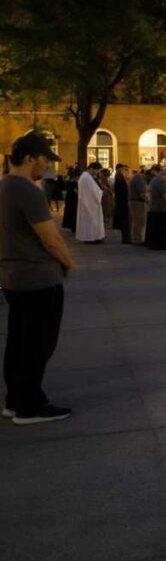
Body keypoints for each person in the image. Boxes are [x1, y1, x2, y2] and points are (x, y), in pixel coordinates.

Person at [0, 132, 75, 425]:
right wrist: (68, 263)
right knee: (38, 344)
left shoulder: (4, 186)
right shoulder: (28, 191)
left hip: (13, 278)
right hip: (38, 279)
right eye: (45, 159)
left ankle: (15, 399)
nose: (48, 166)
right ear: (30, 158)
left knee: (18, 341)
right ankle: (29, 406)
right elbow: (51, 238)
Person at [145, 166, 166, 250]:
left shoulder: (155, 179)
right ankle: (162, 245)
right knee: (161, 229)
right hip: (160, 209)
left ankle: (154, 244)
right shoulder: (161, 181)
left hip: (154, 208)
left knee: (155, 229)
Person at [75, 162, 105, 244]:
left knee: (90, 221)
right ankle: (91, 238)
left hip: (89, 202)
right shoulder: (86, 178)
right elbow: (93, 190)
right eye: (97, 170)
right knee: (91, 222)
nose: (97, 172)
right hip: (90, 203)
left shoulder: (86, 177)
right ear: (92, 168)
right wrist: (100, 193)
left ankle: (93, 237)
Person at [128, 167, 148, 245]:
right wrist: (149, 201)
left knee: (137, 221)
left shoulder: (136, 178)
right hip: (137, 202)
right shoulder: (139, 179)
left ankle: (136, 237)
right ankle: (136, 238)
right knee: (139, 221)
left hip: (135, 201)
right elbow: (143, 193)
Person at [112, 164, 131, 244]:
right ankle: (126, 239)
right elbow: (125, 192)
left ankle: (126, 238)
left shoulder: (119, 181)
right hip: (123, 204)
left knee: (125, 222)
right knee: (125, 222)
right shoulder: (121, 182)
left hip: (121, 204)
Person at [61, 168, 78, 233]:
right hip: (73, 199)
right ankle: (73, 226)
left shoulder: (67, 180)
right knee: (73, 212)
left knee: (70, 212)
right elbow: (75, 191)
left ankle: (71, 226)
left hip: (69, 198)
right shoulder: (73, 182)